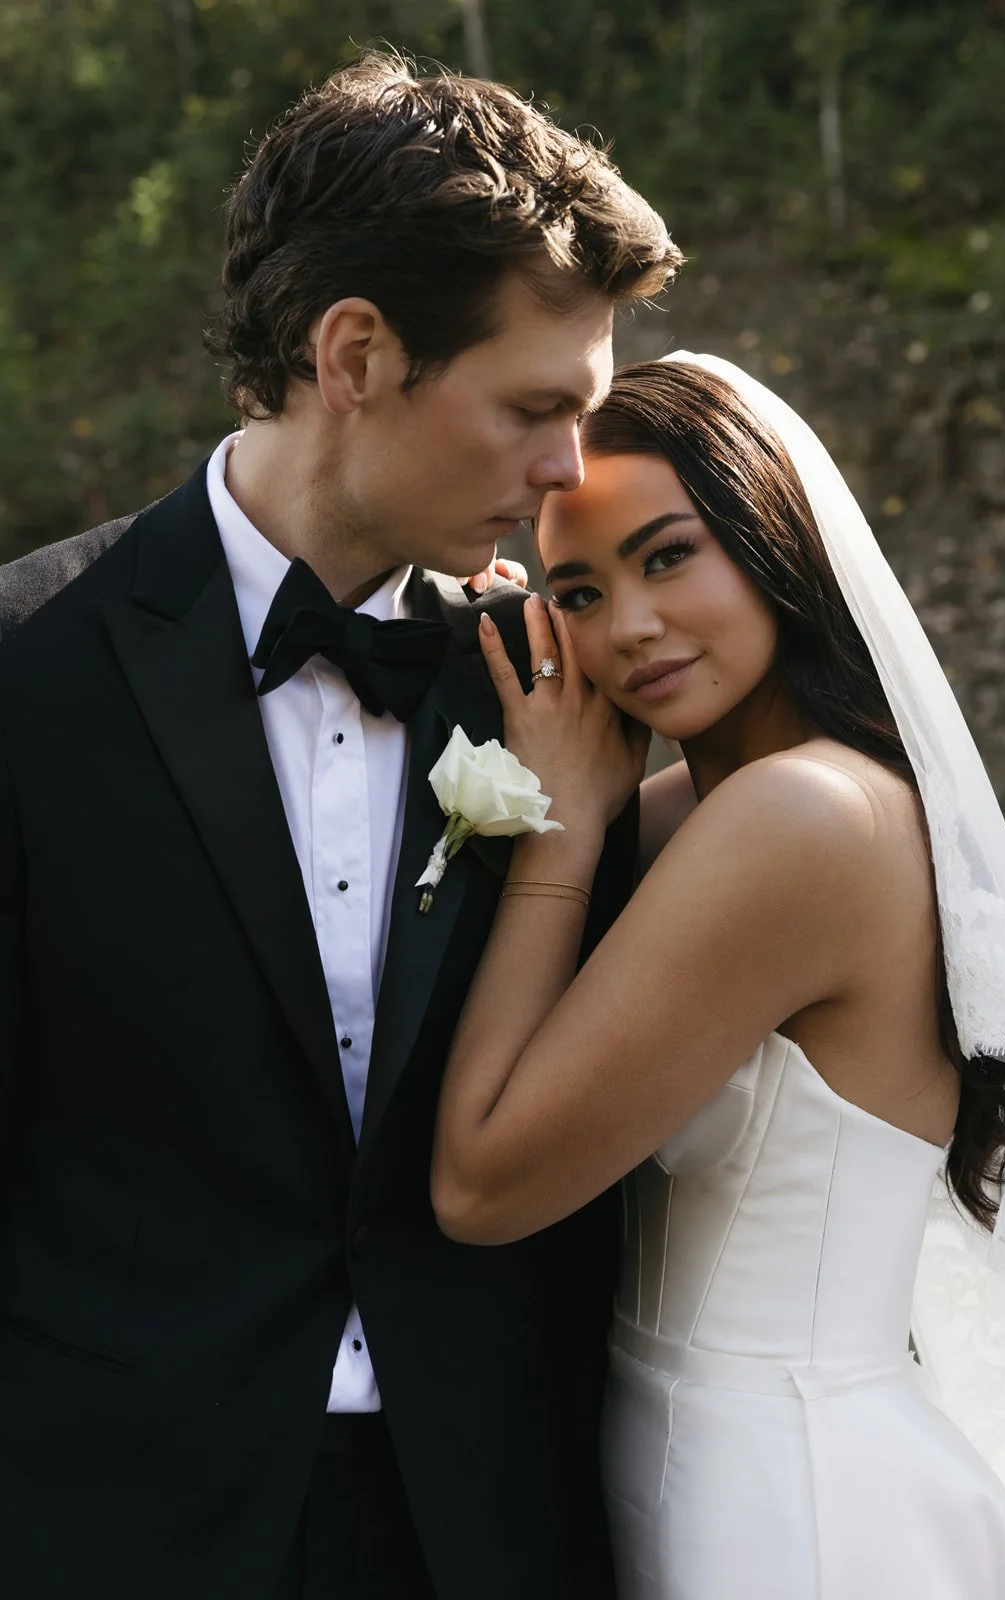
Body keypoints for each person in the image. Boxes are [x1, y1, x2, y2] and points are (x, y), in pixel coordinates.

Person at [0, 53, 682, 1600]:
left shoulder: (563, 684)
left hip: (487, 1522)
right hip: (111, 1529)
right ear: (357, 352)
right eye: (532, 408)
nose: (565, 474)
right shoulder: (23, 673)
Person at [430, 354, 1005, 1597]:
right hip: (688, 1462)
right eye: (579, 590)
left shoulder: (807, 818)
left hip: (790, 1497)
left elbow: (480, 1180)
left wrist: (556, 837)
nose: (629, 628)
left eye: (668, 556)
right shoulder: (694, 812)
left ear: (769, 538)